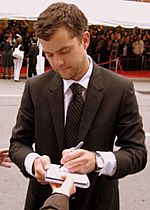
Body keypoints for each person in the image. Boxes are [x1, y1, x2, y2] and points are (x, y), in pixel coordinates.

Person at [9, 2, 147, 210]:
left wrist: (97, 161)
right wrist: (33, 161)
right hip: (45, 200)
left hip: (98, 202)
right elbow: (18, 144)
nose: (58, 63)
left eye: (64, 51)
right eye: (49, 54)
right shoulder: (35, 87)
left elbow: (137, 153)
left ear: (85, 40)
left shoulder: (119, 88)